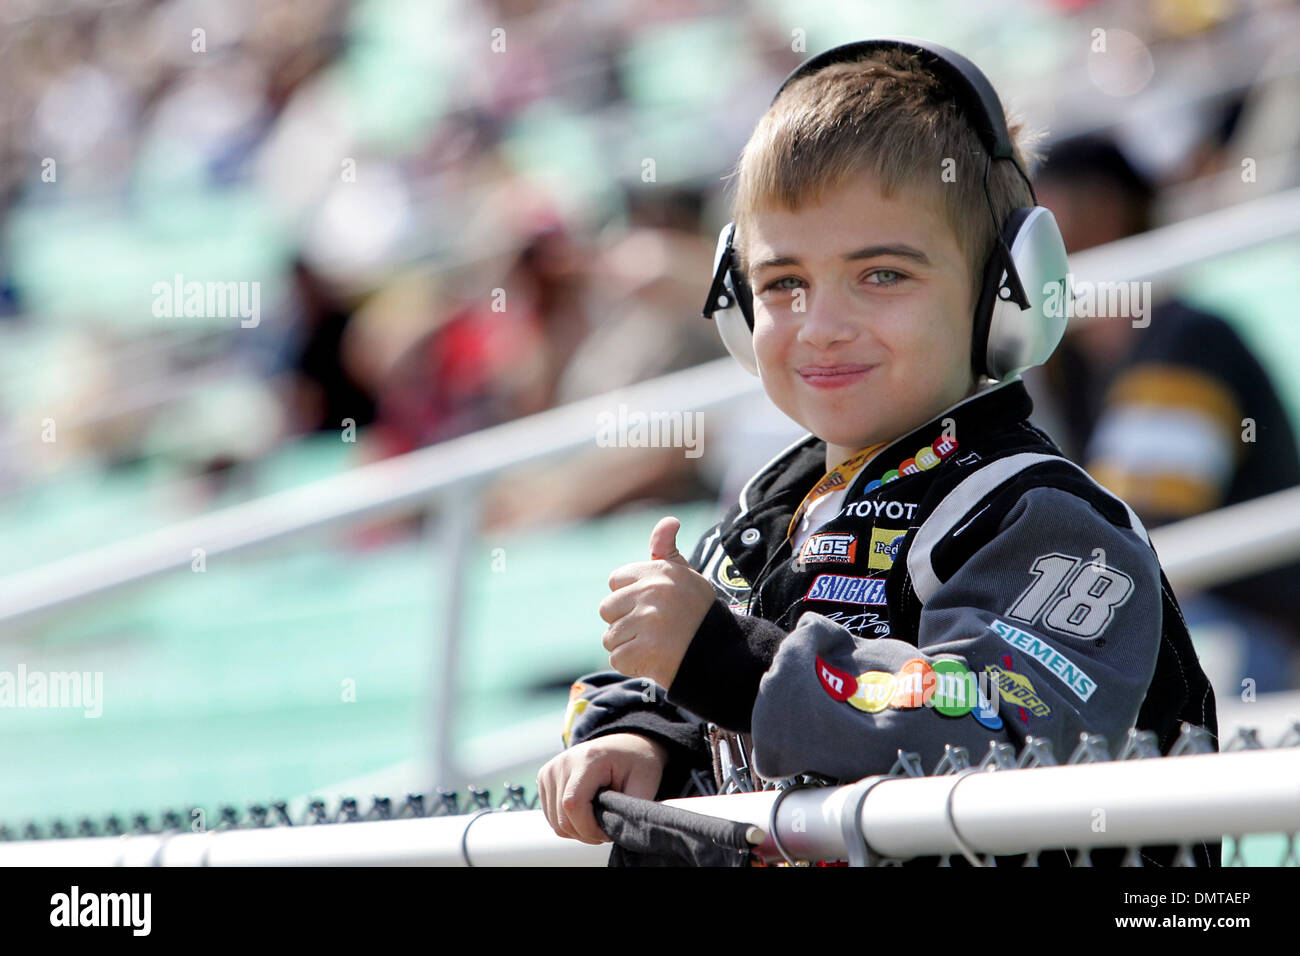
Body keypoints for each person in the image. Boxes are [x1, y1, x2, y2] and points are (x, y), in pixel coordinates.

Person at [537, 40, 1220, 866]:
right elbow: (663, 689)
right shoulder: (767, 516)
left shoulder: (1044, 518)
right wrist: (649, 739)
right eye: (783, 283)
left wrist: (735, 667)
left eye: (883, 275)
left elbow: (1000, 727)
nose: (821, 325)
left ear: (1006, 295)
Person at [1030, 134, 1300, 693]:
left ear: (1104, 208)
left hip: (1246, 625)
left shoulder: (1187, 340)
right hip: (1180, 613)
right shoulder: (1068, 361)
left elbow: (1135, 533)